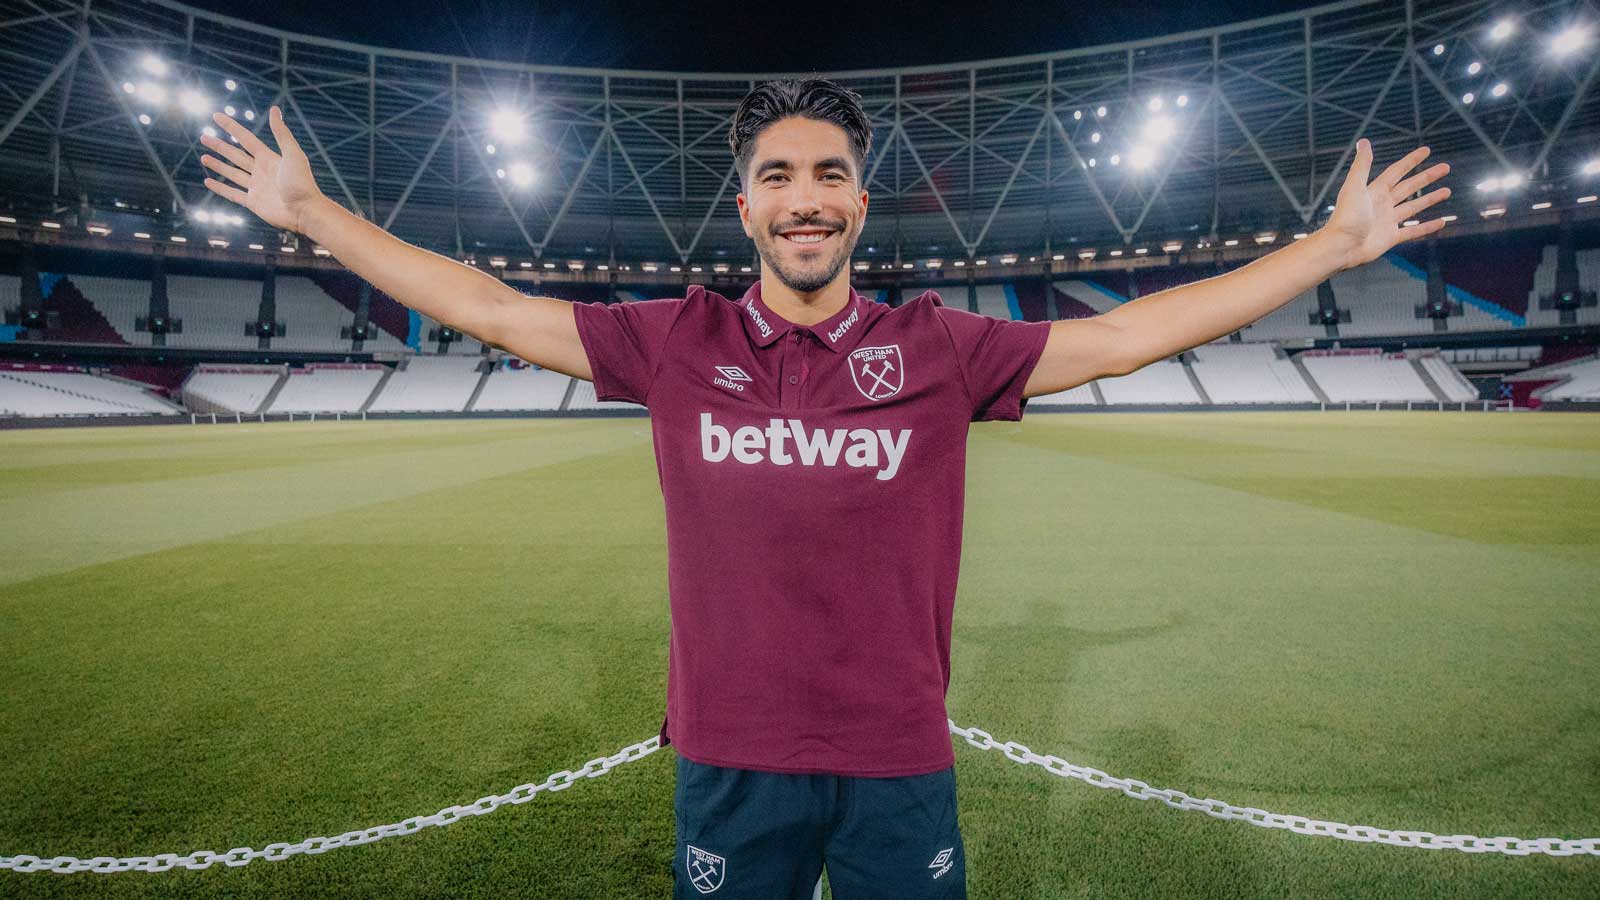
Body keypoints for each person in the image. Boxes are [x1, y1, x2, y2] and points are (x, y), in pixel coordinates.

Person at [198, 77, 1449, 899]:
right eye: (781, 177)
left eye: (830, 174)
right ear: (744, 204)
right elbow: (483, 303)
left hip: (897, 758)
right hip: (729, 758)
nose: (806, 199)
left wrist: (1332, 246)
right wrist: (311, 211)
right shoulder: (673, 340)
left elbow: (1134, 335)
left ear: (860, 200)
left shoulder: (944, 346)